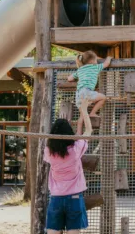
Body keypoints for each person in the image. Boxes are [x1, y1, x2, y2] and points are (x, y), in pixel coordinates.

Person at [43, 106, 91, 234]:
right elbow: (89, 132)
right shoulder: (76, 149)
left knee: (52, 231)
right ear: (69, 134)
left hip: (56, 198)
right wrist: (84, 111)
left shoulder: (49, 151)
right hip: (74, 198)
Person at [68, 51, 112, 131]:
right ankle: (93, 113)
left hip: (78, 95)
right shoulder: (95, 67)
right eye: (96, 60)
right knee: (103, 98)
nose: (96, 62)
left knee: (82, 115)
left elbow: (69, 78)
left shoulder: (80, 70)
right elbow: (106, 64)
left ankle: (78, 134)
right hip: (87, 92)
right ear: (92, 61)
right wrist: (109, 58)